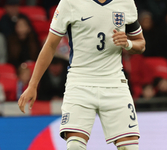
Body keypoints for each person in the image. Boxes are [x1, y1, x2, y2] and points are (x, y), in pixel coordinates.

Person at [18, 0, 145, 149]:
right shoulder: (69, 2)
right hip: (80, 83)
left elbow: (140, 43)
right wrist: (33, 85)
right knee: (75, 147)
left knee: (130, 148)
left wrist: (128, 44)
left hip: (115, 84)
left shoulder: (125, 2)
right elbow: (51, 45)